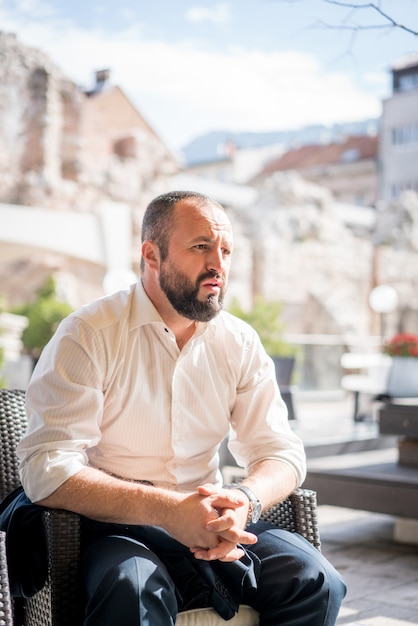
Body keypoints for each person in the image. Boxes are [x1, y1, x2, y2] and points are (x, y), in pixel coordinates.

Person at [15, 190, 345, 625]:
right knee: (131, 589)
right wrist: (168, 511)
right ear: (151, 255)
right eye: (200, 246)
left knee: (315, 579)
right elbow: (47, 468)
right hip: (117, 527)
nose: (218, 264)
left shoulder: (239, 342)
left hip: (213, 521)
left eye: (225, 249)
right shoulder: (88, 334)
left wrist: (245, 500)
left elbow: (281, 452)